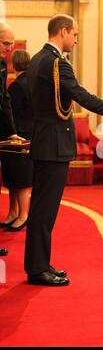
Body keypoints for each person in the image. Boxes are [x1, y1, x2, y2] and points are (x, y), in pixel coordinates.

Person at [24, 14, 103, 286]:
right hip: (53, 144)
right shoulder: (56, 64)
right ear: (63, 31)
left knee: (42, 208)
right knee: (45, 210)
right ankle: (38, 269)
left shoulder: (37, 59)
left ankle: (39, 264)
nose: (76, 39)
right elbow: (85, 98)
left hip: (44, 140)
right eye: (75, 34)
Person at [1, 50, 33, 232]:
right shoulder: (31, 82)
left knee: (19, 179)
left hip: (16, 137)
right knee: (13, 177)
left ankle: (22, 215)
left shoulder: (17, 86)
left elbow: (8, 113)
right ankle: (13, 213)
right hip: (25, 135)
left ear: (13, 64)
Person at [0, 22, 24, 256]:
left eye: (11, 44)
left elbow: (5, 100)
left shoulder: (1, 64)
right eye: (5, 43)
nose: (9, 48)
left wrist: (11, 131)